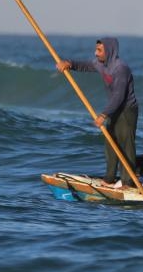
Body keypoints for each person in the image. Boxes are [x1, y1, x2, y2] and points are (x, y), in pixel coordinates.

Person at [57, 37, 138, 187]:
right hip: (113, 110)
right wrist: (69, 63)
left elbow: (119, 96)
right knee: (110, 142)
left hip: (127, 110)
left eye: (99, 50)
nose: (96, 53)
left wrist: (103, 115)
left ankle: (128, 182)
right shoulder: (101, 64)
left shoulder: (121, 69)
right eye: (96, 49)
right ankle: (109, 179)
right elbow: (86, 65)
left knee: (126, 144)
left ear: (109, 50)